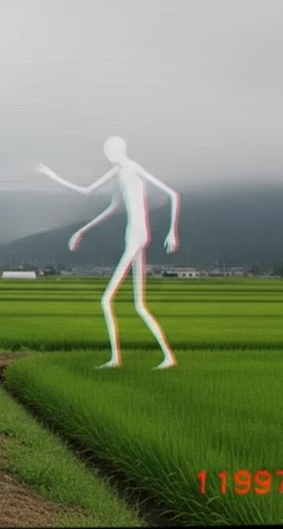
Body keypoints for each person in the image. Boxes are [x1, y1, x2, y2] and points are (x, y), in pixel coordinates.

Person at [38, 136, 180, 370]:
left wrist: (172, 232)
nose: (108, 155)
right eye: (106, 151)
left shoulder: (133, 168)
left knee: (106, 300)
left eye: (110, 150)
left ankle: (116, 359)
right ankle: (165, 357)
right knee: (139, 305)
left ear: (119, 149)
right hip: (133, 235)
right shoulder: (118, 173)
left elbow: (173, 195)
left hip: (137, 236)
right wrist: (81, 230)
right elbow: (102, 201)